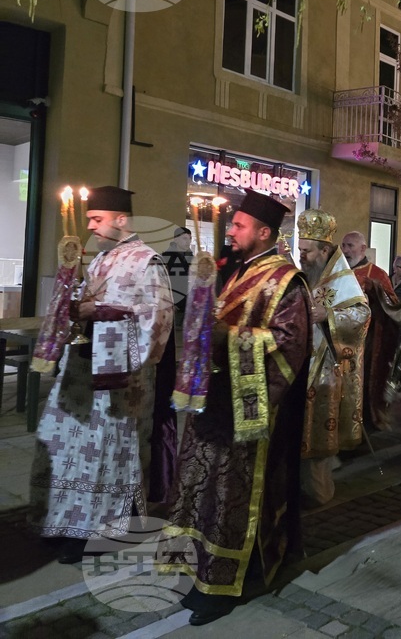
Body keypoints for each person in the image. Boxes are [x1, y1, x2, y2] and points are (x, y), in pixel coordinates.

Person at [163, 190, 310, 625]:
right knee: (199, 486)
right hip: (213, 398)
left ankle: (229, 582)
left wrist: (227, 337)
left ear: (264, 232)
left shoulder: (286, 280)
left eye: (239, 225)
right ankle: (198, 569)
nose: (231, 230)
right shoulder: (233, 271)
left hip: (249, 405)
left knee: (231, 496)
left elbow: (290, 345)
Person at [30, 186, 174, 564]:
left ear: (121, 220)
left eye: (97, 219)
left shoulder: (147, 261)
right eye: (90, 218)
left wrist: (102, 311)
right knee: (66, 447)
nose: (90, 225)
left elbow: (157, 319)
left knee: (107, 457)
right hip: (82, 372)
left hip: (119, 380)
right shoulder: (98, 259)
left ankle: (97, 532)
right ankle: (62, 520)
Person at [297, 209, 370, 505]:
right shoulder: (308, 274)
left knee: (319, 436)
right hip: (302, 363)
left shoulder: (343, 279)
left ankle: (320, 494)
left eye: (307, 250)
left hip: (327, 367)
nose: (302, 255)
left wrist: (327, 316)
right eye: (300, 249)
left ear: (325, 249)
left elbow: (363, 316)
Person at [341, 231, 397, 430]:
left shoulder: (377, 274)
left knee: (363, 382)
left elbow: (393, 306)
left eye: (350, 246)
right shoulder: (338, 271)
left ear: (363, 249)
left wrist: (375, 290)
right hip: (340, 336)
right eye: (343, 246)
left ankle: (365, 423)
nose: (345, 250)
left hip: (368, 339)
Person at [163, 226, 193, 329]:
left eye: (190, 238)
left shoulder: (190, 257)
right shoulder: (167, 257)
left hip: (188, 303)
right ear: (176, 239)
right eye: (184, 238)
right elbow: (164, 282)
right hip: (173, 304)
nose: (188, 241)